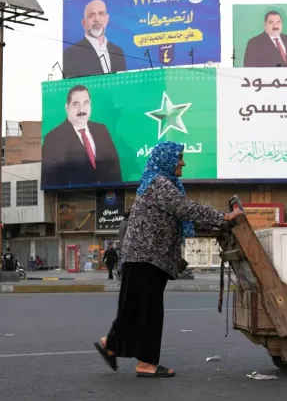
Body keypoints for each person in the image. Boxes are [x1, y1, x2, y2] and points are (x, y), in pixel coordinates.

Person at [93, 141, 243, 377]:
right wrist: (223, 217)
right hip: (147, 259)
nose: (183, 162)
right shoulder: (161, 184)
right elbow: (185, 210)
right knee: (149, 312)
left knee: (135, 309)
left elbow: (184, 216)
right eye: (179, 158)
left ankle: (111, 345)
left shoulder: (160, 184)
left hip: (143, 258)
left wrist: (217, 222)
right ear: (166, 160)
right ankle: (145, 363)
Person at [41, 84, 122, 188]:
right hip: (77, 198)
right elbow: (51, 178)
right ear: (67, 108)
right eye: (76, 104)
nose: (82, 109)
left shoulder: (101, 129)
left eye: (86, 103)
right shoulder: (53, 138)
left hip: (109, 195)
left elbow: (115, 165)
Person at [63, 0, 127, 79]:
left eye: (101, 14)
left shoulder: (118, 51)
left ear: (107, 19)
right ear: (84, 23)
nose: (97, 19)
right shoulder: (69, 55)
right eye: (91, 15)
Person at [115, 209, 131, 280]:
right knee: (126, 262)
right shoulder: (129, 223)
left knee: (122, 260)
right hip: (127, 246)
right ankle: (121, 272)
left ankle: (119, 270)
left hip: (122, 245)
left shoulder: (122, 223)